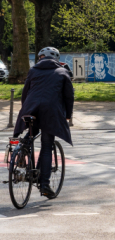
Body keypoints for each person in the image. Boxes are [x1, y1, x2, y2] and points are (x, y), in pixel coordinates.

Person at [13, 47, 74, 199]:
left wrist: (25, 110)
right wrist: (68, 115)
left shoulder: (33, 71)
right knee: (47, 146)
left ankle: (23, 148)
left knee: (33, 128)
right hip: (51, 112)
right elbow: (68, 97)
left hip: (31, 108)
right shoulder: (62, 72)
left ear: (41, 58)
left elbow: (25, 93)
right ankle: (45, 185)